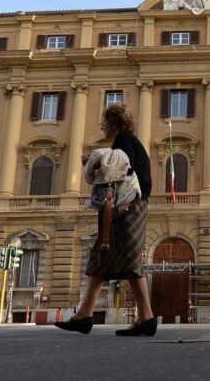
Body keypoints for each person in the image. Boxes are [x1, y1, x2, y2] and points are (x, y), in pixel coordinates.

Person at [56, 103, 156, 336]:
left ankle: (145, 317)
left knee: (128, 258)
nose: (102, 126)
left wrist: (94, 160)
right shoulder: (126, 141)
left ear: (114, 122)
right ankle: (85, 314)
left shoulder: (124, 140)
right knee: (103, 255)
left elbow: (120, 168)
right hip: (131, 204)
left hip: (128, 205)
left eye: (104, 122)